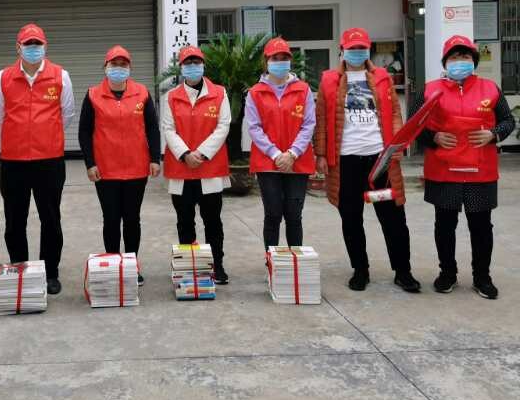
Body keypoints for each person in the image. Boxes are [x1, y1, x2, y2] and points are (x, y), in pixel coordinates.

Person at [314, 27, 421, 293]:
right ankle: (360, 270)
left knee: (392, 217)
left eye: (361, 47)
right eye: (352, 48)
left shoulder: (382, 77)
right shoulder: (329, 80)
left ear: (368, 49)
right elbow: (321, 119)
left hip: (379, 161)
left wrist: (398, 145)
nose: (357, 52)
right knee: (351, 218)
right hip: (346, 162)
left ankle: (403, 271)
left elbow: (395, 113)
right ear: (342, 50)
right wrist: (321, 154)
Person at [412, 35, 515, 299]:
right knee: (445, 225)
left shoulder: (490, 89)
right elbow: (413, 125)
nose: (460, 61)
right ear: (446, 62)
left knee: (481, 226)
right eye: (455, 57)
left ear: (474, 61)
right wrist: (433, 137)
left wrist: (493, 134)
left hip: (480, 172)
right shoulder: (429, 90)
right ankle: (447, 273)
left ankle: (482, 277)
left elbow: (508, 121)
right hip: (443, 171)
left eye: (466, 56)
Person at [0, 23, 75, 295]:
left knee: (50, 218)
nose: (33, 48)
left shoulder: (60, 76)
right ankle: (20, 269)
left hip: (49, 160)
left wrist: (43, 136)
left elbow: (66, 114)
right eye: (28, 44)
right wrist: (20, 137)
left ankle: (50, 272)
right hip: (13, 161)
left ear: (45, 46)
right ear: (18, 48)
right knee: (15, 220)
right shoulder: (3, 77)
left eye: (37, 44)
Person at [78, 45, 161, 285]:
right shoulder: (93, 95)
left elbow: (152, 128)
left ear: (129, 68)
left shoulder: (142, 93)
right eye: (114, 64)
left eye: (123, 64)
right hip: (106, 170)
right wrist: (90, 163)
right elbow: (84, 132)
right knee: (112, 219)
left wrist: (154, 158)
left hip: (136, 168)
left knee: (132, 219)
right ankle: (114, 265)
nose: (119, 68)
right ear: (105, 67)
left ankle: (132, 265)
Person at [162, 45, 231, 284]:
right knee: (184, 220)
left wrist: (200, 153)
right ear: (181, 68)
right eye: (188, 63)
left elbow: (223, 125)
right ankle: (189, 266)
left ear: (203, 65)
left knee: (212, 221)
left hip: (209, 168)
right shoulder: (171, 97)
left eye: (196, 62)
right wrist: (185, 154)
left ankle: (217, 265)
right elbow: (168, 128)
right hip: (181, 169)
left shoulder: (219, 93)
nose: (192, 66)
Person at [244, 37, 316, 251]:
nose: (280, 62)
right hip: (267, 163)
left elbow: (309, 124)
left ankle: (295, 263)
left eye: (284, 57)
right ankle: (272, 263)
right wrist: (276, 154)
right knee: (273, 214)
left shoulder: (303, 90)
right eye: (275, 58)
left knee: (294, 215)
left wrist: (292, 153)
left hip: (297, 161)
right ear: (266, 61)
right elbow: (254, 128)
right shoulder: (255, 92)